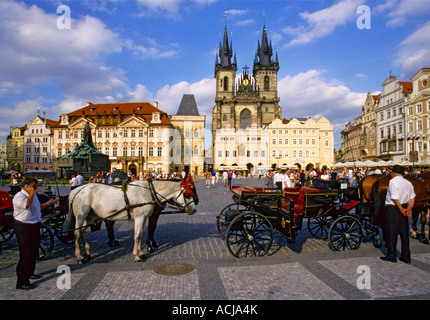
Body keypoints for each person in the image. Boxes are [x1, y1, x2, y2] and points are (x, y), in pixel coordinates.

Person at [12, 176, 59, 290]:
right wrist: (32, 194)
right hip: (24, 226)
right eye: (33, 186)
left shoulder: (32, 196)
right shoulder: (19, 197)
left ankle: (30, 273)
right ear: (26, 186)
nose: (35, 188)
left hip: (35, 224)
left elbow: (38, 208)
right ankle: (22, 281)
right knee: (26, 253)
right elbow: (27, 206)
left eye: (36, 186)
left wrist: (48, 203)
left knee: (33, 251)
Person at [381, 165, 415, 264]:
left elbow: (395, 197)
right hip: (405, 206)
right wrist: (407, 209)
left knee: (392, 231)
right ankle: (406, 256)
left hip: (394, 208)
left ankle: (392, 255)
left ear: (394, 173)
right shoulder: (408, 183)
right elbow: (412, 198)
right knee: (404, 233)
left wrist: (401, 209)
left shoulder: (393, 181)